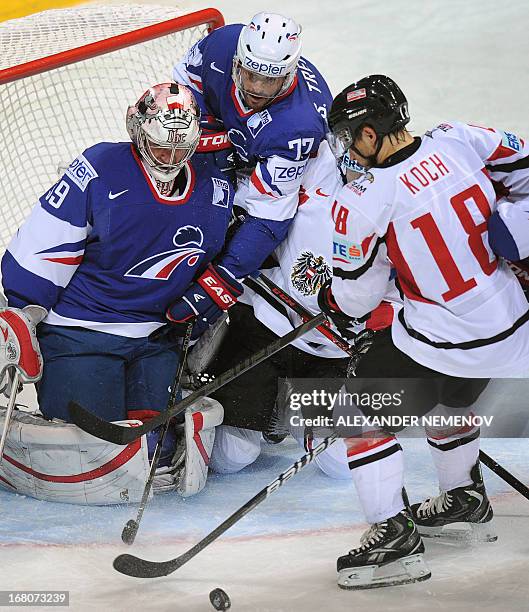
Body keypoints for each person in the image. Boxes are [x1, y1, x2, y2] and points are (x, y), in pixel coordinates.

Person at [318, 74, 529, 589]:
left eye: (350, 136)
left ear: (370, 135)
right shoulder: (460, 138)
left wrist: (333, 300)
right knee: (444, 393)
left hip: (447, 340)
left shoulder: (364, 199)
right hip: (515, 325)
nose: (347, 148)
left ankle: (392, 538)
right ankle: (463, 499)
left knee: (359, 403)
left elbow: (356, 298)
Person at [0, 83, 232, 501]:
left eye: (181, 151)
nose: (171, 159)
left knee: (160, 448)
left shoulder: (215, 187)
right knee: (96, 452)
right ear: (137, 129)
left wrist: (204, 315)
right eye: (160, 148)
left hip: (156, 338)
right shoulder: (100, 168)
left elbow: (217, 260)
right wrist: (24, 313)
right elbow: (41, 249)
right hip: (78, 335)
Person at [204, 140, 398, 478]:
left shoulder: (402, 213)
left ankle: (289, 410)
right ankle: (259, 407)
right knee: (231, 457)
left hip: (335, 353)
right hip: (268, 330)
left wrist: (383, 331)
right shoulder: (316, 172)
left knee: (341, 465)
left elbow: (409, 291)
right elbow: (254, 197)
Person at [166, 12, 332, 333]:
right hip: (242, 150)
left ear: (288, 74)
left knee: (283, 275)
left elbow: (270, 212)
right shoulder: (222, 45)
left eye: (268, 80)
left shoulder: (299, 125)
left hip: (295, 181)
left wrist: (226, 277)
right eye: (249, 74)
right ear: (238, 59)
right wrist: (210, 136)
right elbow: (184, 86)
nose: (255, 88)